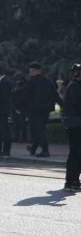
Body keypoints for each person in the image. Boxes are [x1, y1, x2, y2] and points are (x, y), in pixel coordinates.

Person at [24, 62, 59, 157]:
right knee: (40, 128)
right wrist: (63, 106)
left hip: (34, 110)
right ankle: (33, 148)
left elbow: (25, 96)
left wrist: (19, 107)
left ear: (32, 70)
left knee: (38, 130)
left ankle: (45, 150)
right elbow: (55, 95)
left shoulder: (31, 82)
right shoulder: (47, 82)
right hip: (45, 110)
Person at [62, 63, 81, 192]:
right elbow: (78, 104)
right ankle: (71, 181)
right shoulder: (74, 86)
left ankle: (74, 180)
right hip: (75, 124)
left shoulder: (76, 85)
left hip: (76, 123)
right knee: (75, 152)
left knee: (77, 153)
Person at [0, 65, 12, 157]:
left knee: (4, 130)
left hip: (2, 110)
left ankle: (6, 150)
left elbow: (3, 97)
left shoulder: (5, 82)